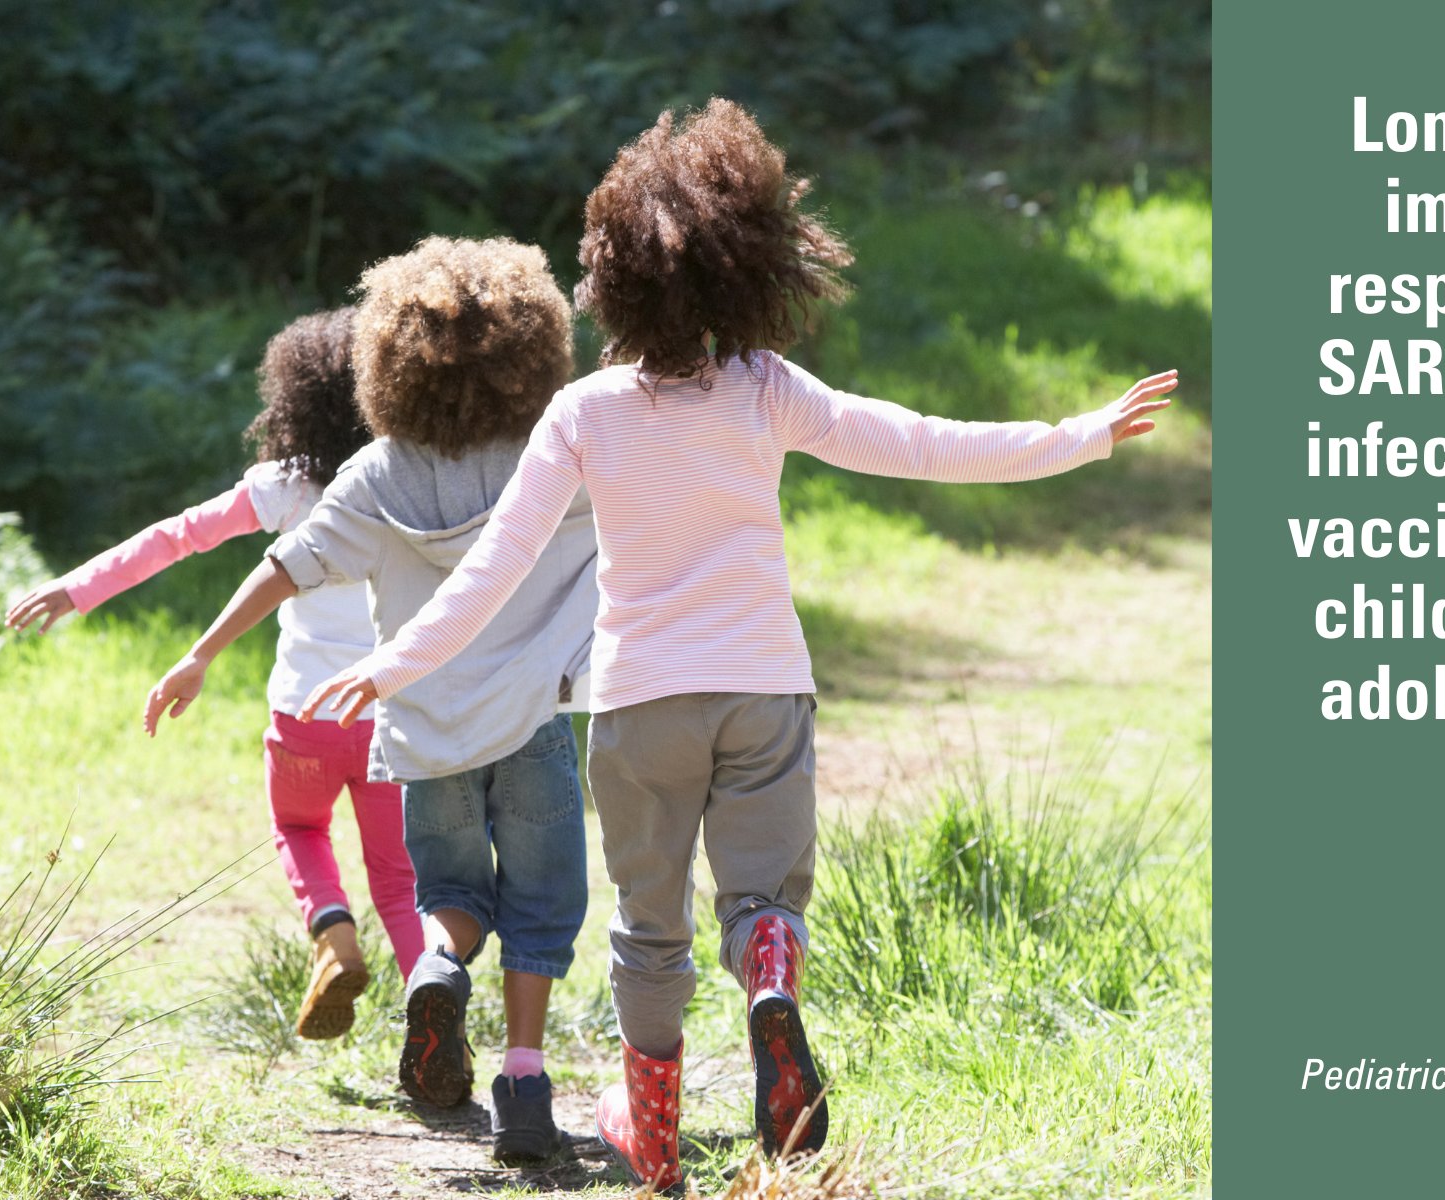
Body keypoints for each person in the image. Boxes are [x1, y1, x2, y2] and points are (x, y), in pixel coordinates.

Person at [303, 99, 1175, 1192]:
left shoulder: (581, 412)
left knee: (647, 930)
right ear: (749, 265)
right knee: (763, 896)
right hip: (765, 689)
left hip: (639, 705)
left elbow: (494, 569)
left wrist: (396, 663)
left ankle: (654, 1134)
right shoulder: (767, 392)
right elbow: (921, 442)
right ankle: (769, 972)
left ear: (610, 273)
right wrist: (1081, 436)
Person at [142, 238, 597, 1165]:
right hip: (534, 725)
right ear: (532, 347)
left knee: (454, 896)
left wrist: (197, 655)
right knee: (542, 910)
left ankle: (436, 970)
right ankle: (523, 1086)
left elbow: (283, 566)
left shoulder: (378, 473)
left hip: (424, 735)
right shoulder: (552, 457)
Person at [5, 308, 424, 1039]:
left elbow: (178, 537)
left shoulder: (289, 486)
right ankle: (433, 1014)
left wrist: (78, 587)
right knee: (399, 879)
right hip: (391, 715)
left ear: (297, 399)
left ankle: (332, 935)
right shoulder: (411, 479)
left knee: (298, 824)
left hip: (304, 716)